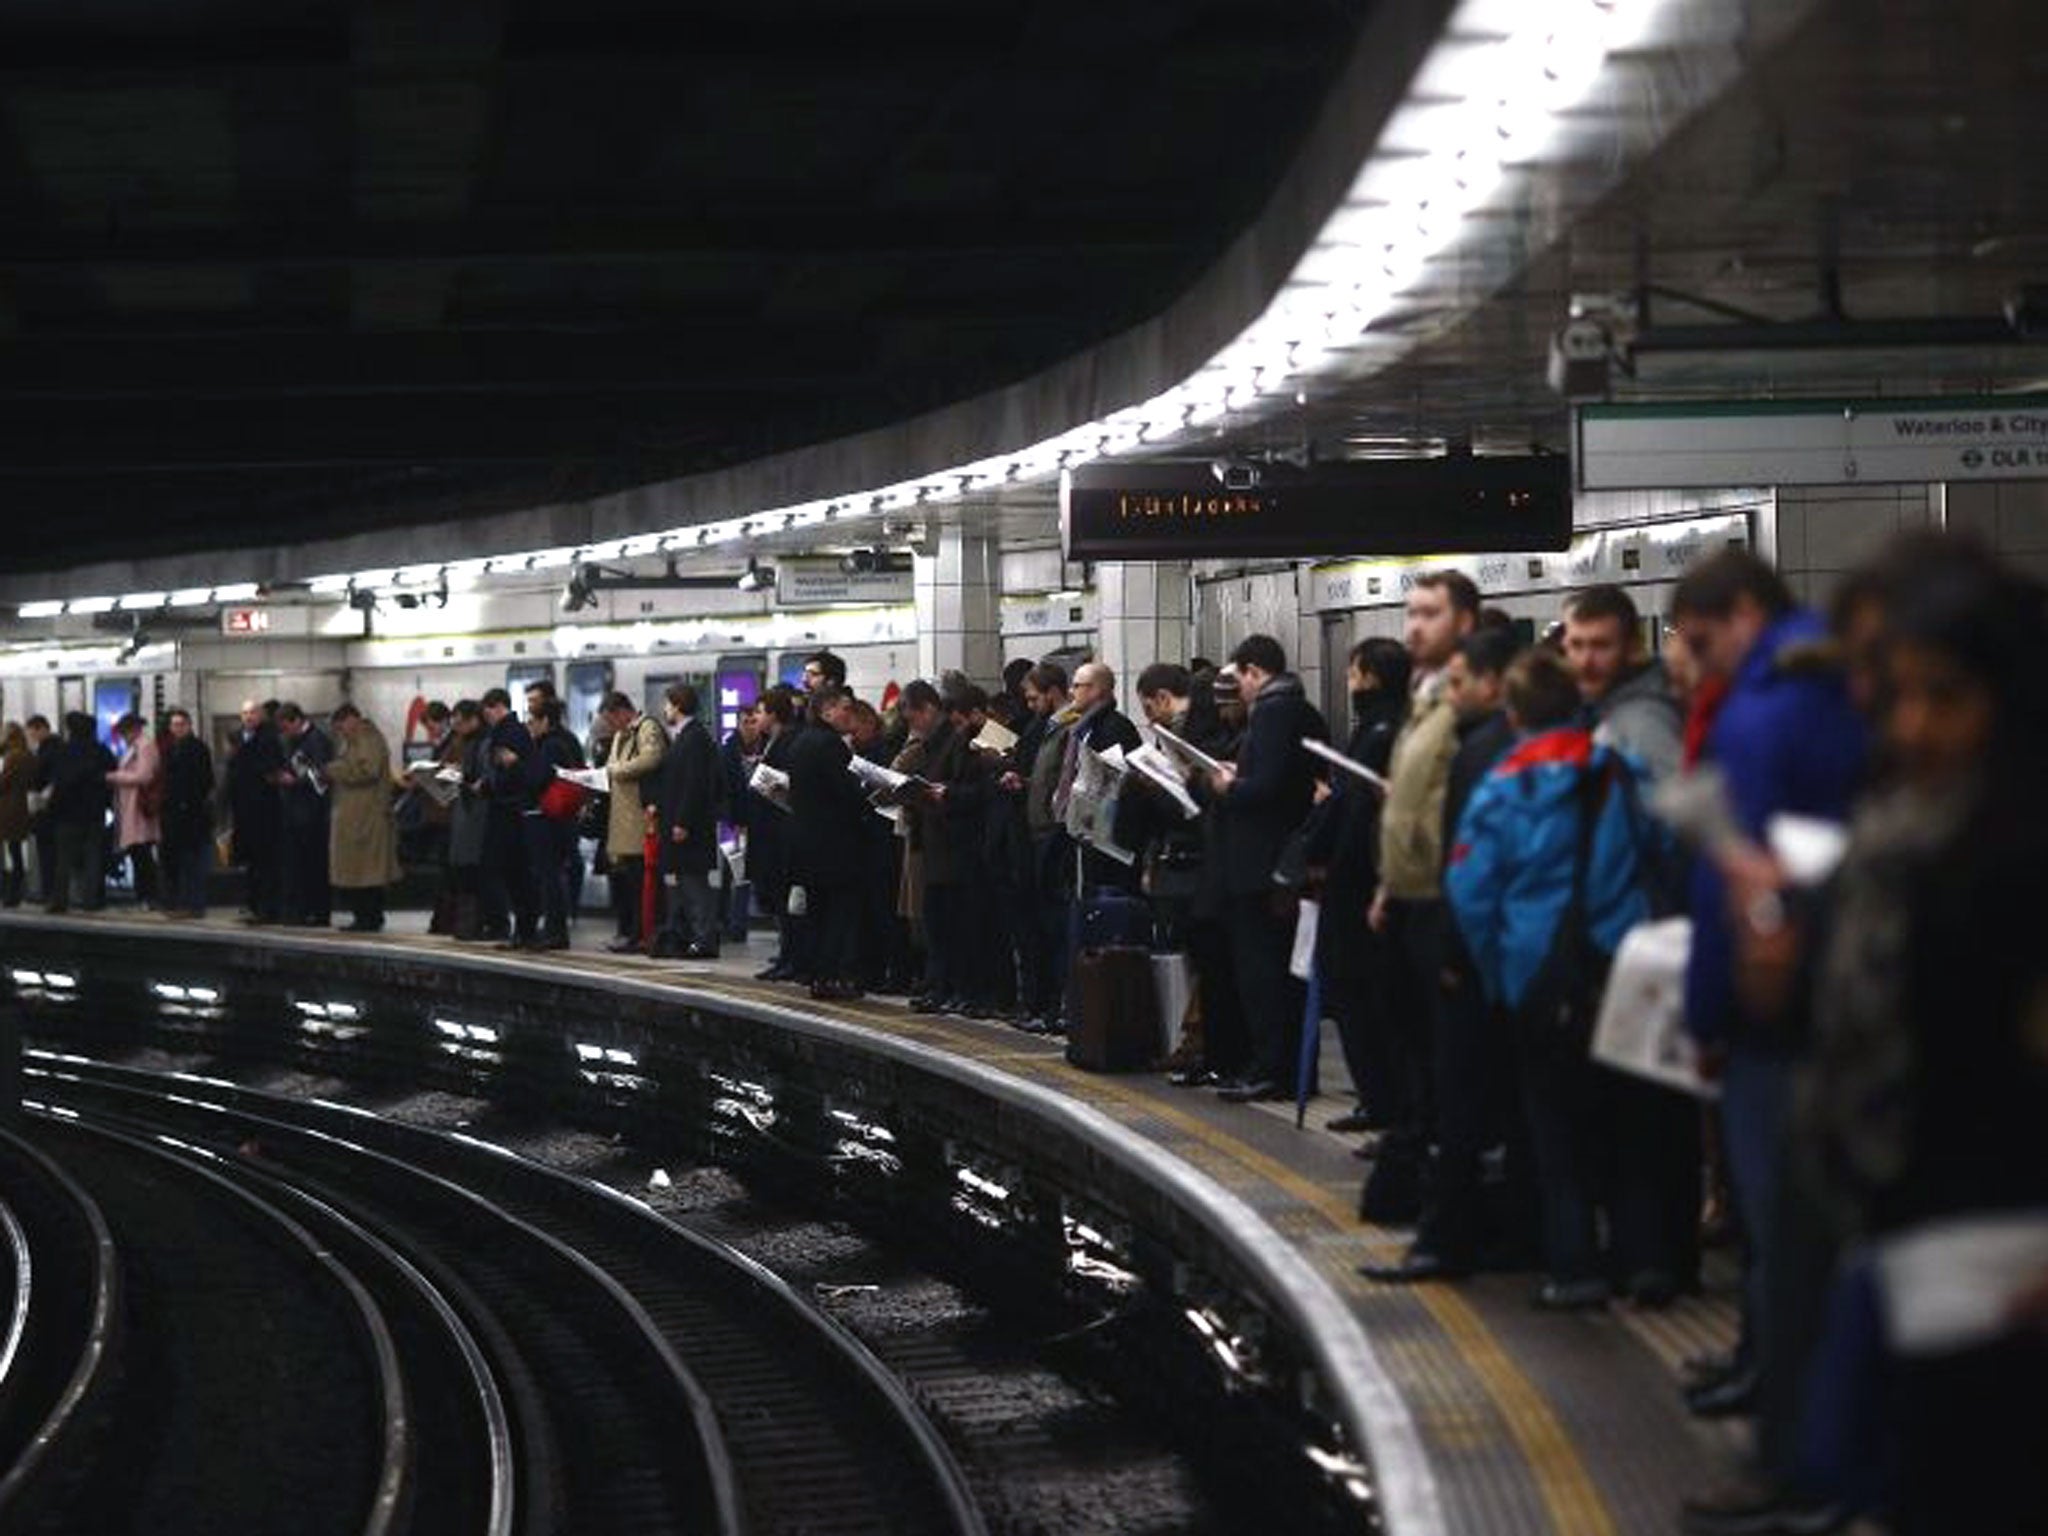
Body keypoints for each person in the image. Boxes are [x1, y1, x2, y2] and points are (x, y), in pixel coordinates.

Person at [1791, 546, 2048, 1536]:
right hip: (1919, 1247)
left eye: (1943, 697)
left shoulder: (2014, 856)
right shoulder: (1913, 839)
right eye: (1895, 695)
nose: (1911, 727)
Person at [1672, 549, 1867, 1437]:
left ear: (1745, 612)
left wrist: (1708, 1013)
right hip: (1821, 1005)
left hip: (1775, 1015)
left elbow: (1740, 884)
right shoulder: (1816, 691)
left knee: (1789, 1244)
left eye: (1703, 640)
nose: (1696, 662)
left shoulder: (1768, 708)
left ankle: (1797, 1459)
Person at [1443, 650, 1664, 1308]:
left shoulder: (1504, 786)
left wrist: (1495, 971)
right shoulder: (1623, 772)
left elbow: (1472, 889)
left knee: (1555, 1131)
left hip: (1538, 976)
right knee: (1630, 1123)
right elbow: (1663, 852)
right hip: (1620, 968)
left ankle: (1575, 1268)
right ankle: (1645, 1263)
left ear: (1512, 716)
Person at [1363, 626, 1525, 1281]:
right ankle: (1503, 1232)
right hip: (1453, 921)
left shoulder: (1482, 747)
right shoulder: (1465, 732)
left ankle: (1452, 1235)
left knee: (1462, 1091)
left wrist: (1455, 943)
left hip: (1462, 928)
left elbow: (1469, 850)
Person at [1366, 570, 1480, 1213]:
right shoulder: (1423, 696)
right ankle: (1423, 1195)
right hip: (1409, 899)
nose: (1414, 626)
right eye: (1409, 613)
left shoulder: (1466, 701)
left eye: (1430, 613)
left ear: (1464, 621)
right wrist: (1387, 883)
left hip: (1447, 904)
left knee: (1447, 1065)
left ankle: (1451, 1208)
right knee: (1413, 1053)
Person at [1204, 634, 1329, 1102]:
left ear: (1254, 671)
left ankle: (1273, 1069)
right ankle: (1290, 1068)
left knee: (1263, 973)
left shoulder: (1275, 712)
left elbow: (1270, 786)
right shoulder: (1302, 709)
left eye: (1241, 679)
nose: (1240, 691)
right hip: (1279, 863)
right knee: (1280, 972)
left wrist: (1228, 786)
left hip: (1261, 864)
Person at [1306, 638, 1410, 1132]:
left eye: (1351, 675)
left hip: (1355, 886)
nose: (1349, 685)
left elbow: (1357, 812)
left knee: (1360, 1001)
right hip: (1370, 880)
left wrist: (1321, 846)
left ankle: (1382, 1103)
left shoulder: (1377, 732)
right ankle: (1384, 1103)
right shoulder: (1394, 725)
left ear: (1368, 676)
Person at [786, 687, 870, 999]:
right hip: (836, 846)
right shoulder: (830, 745)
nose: (850, 714)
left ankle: (818, 976)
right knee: (839, 914)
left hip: (808, 845)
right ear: (827, 711)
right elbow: (846, 793)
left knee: (817, 914)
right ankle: (833, 975)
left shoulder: (800, 742)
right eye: (844, 709)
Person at [1564, 584, 1682, 782]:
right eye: (1576, 645)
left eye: (1601, 646)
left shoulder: (1644, 721)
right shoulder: (1598, 710)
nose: (1585, 661)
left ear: (1633, 647)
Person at [655, 682, 723, 959]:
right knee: (687, 882)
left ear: (679, 705)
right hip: (685, 825)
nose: (665, 709)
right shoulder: (688, 736)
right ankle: (693, 936)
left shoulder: (694, 738)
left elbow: (694, 784)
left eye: (668, 704)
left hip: (690, 828)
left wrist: (682, 821)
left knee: (694, 885)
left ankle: (704, 939)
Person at [596, 691, 667, 953]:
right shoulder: (619, 735)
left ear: (622, 712)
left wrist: (616, 771)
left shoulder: (646, 728)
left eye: (612, 720)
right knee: (627, 883)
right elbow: (611, 764)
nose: (611, 727)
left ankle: (642, 934)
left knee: (642, 881)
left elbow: (651, 758)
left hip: (640, 819)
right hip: (623, 820)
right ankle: (630, 931)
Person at [325, 704, 401, 932]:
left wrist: (334, 770)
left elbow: (368, 770)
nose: (341, 732)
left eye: (342, 726)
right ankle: (364, 917)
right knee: (357, 872)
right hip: (356, 816)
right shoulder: (354, 739)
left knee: (367, 873)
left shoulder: (367, 738)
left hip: (367, 818)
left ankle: (369, 917)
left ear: (352, 719)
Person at [520, 695, 585, 950]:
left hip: (547, 820)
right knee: (552, 875)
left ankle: (554, 932)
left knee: (549, 876)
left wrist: (519, 765)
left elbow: (538, 779)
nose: (529, 726)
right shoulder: (563, 742)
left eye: (532, 721)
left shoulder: (549, 746)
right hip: (558, 819)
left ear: (545, 721)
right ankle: (553, 930)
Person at [478, 687, 535, 946]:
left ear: (497, 707)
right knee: (513, 872)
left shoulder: (509, 733)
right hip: (509, 811)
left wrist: (488, 787)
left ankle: (523, 930)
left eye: (487, 712)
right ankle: (522, 930)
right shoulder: (512, 731)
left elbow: (510, 775)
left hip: (509, 813)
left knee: (514, 872)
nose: (486, 717)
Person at [44, 711, 113, 913]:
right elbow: (111, 773)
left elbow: (50, 778)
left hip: (66, 812)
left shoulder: (61, 751)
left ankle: (60, 901)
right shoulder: (100, 750)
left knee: (63, 858)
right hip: (94, 811)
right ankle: (90, 901)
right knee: (93, 856)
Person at [226, 699, 286, 923]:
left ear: (261, 715)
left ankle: (268, 908)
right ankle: (251, 904)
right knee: (250, 861)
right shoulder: (236, 739)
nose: (248, 717)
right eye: (244, 713)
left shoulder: (269, 739)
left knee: (266, 861)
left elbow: (271, 768)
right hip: (243, 809)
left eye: (253, 713)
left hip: (264, 809)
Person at [275, 702, 333, 926]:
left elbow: (321, 775)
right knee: (297, 864)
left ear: (297, 720)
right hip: (294, 812)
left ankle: (318, 912)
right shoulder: (291, 741)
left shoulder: (317, 740)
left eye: (286, 727)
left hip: (313, 814)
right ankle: (300, 909)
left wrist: (295, 781)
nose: (284, 733)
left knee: (314, 864)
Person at [157, 708, 215, 918]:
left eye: (181, 724)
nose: (178, 729)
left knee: (191, 861)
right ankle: (178, 902)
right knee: (176, 860)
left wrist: (188, 802)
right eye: (174, 725)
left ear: (189, 725)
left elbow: (204, 780)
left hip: (191, 814)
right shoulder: (171, 749)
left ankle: (193, 904)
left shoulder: (197, 748)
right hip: (173, 813)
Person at [104, 712, 162, 908]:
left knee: (141, 853)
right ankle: (144, 895)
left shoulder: (144, 746)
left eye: (124, 732)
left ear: (134, 729)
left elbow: (144, 776)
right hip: (131, 805)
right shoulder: (136, 747)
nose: (123, 736)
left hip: (138, 806)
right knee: (138, 852)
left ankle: (148, 896)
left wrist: (114, 777)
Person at [23, 716, 59, 904]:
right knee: (53, 854)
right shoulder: (57, 747)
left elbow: (40, 779)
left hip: (46, 810)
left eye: (32, 732)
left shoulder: (47, 751)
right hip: (56, 812)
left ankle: (48, 893)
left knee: (47, 854)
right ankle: (52, 893)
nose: (31, 737)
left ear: (41, 729)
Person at [0, 722, 32, 907]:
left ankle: (12, 894)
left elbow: (4, 782)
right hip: (19, 807)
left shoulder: (13, 756)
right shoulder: (26, 754)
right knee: (15, 850)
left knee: (14, 851)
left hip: (8, 808)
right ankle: (14, 893)